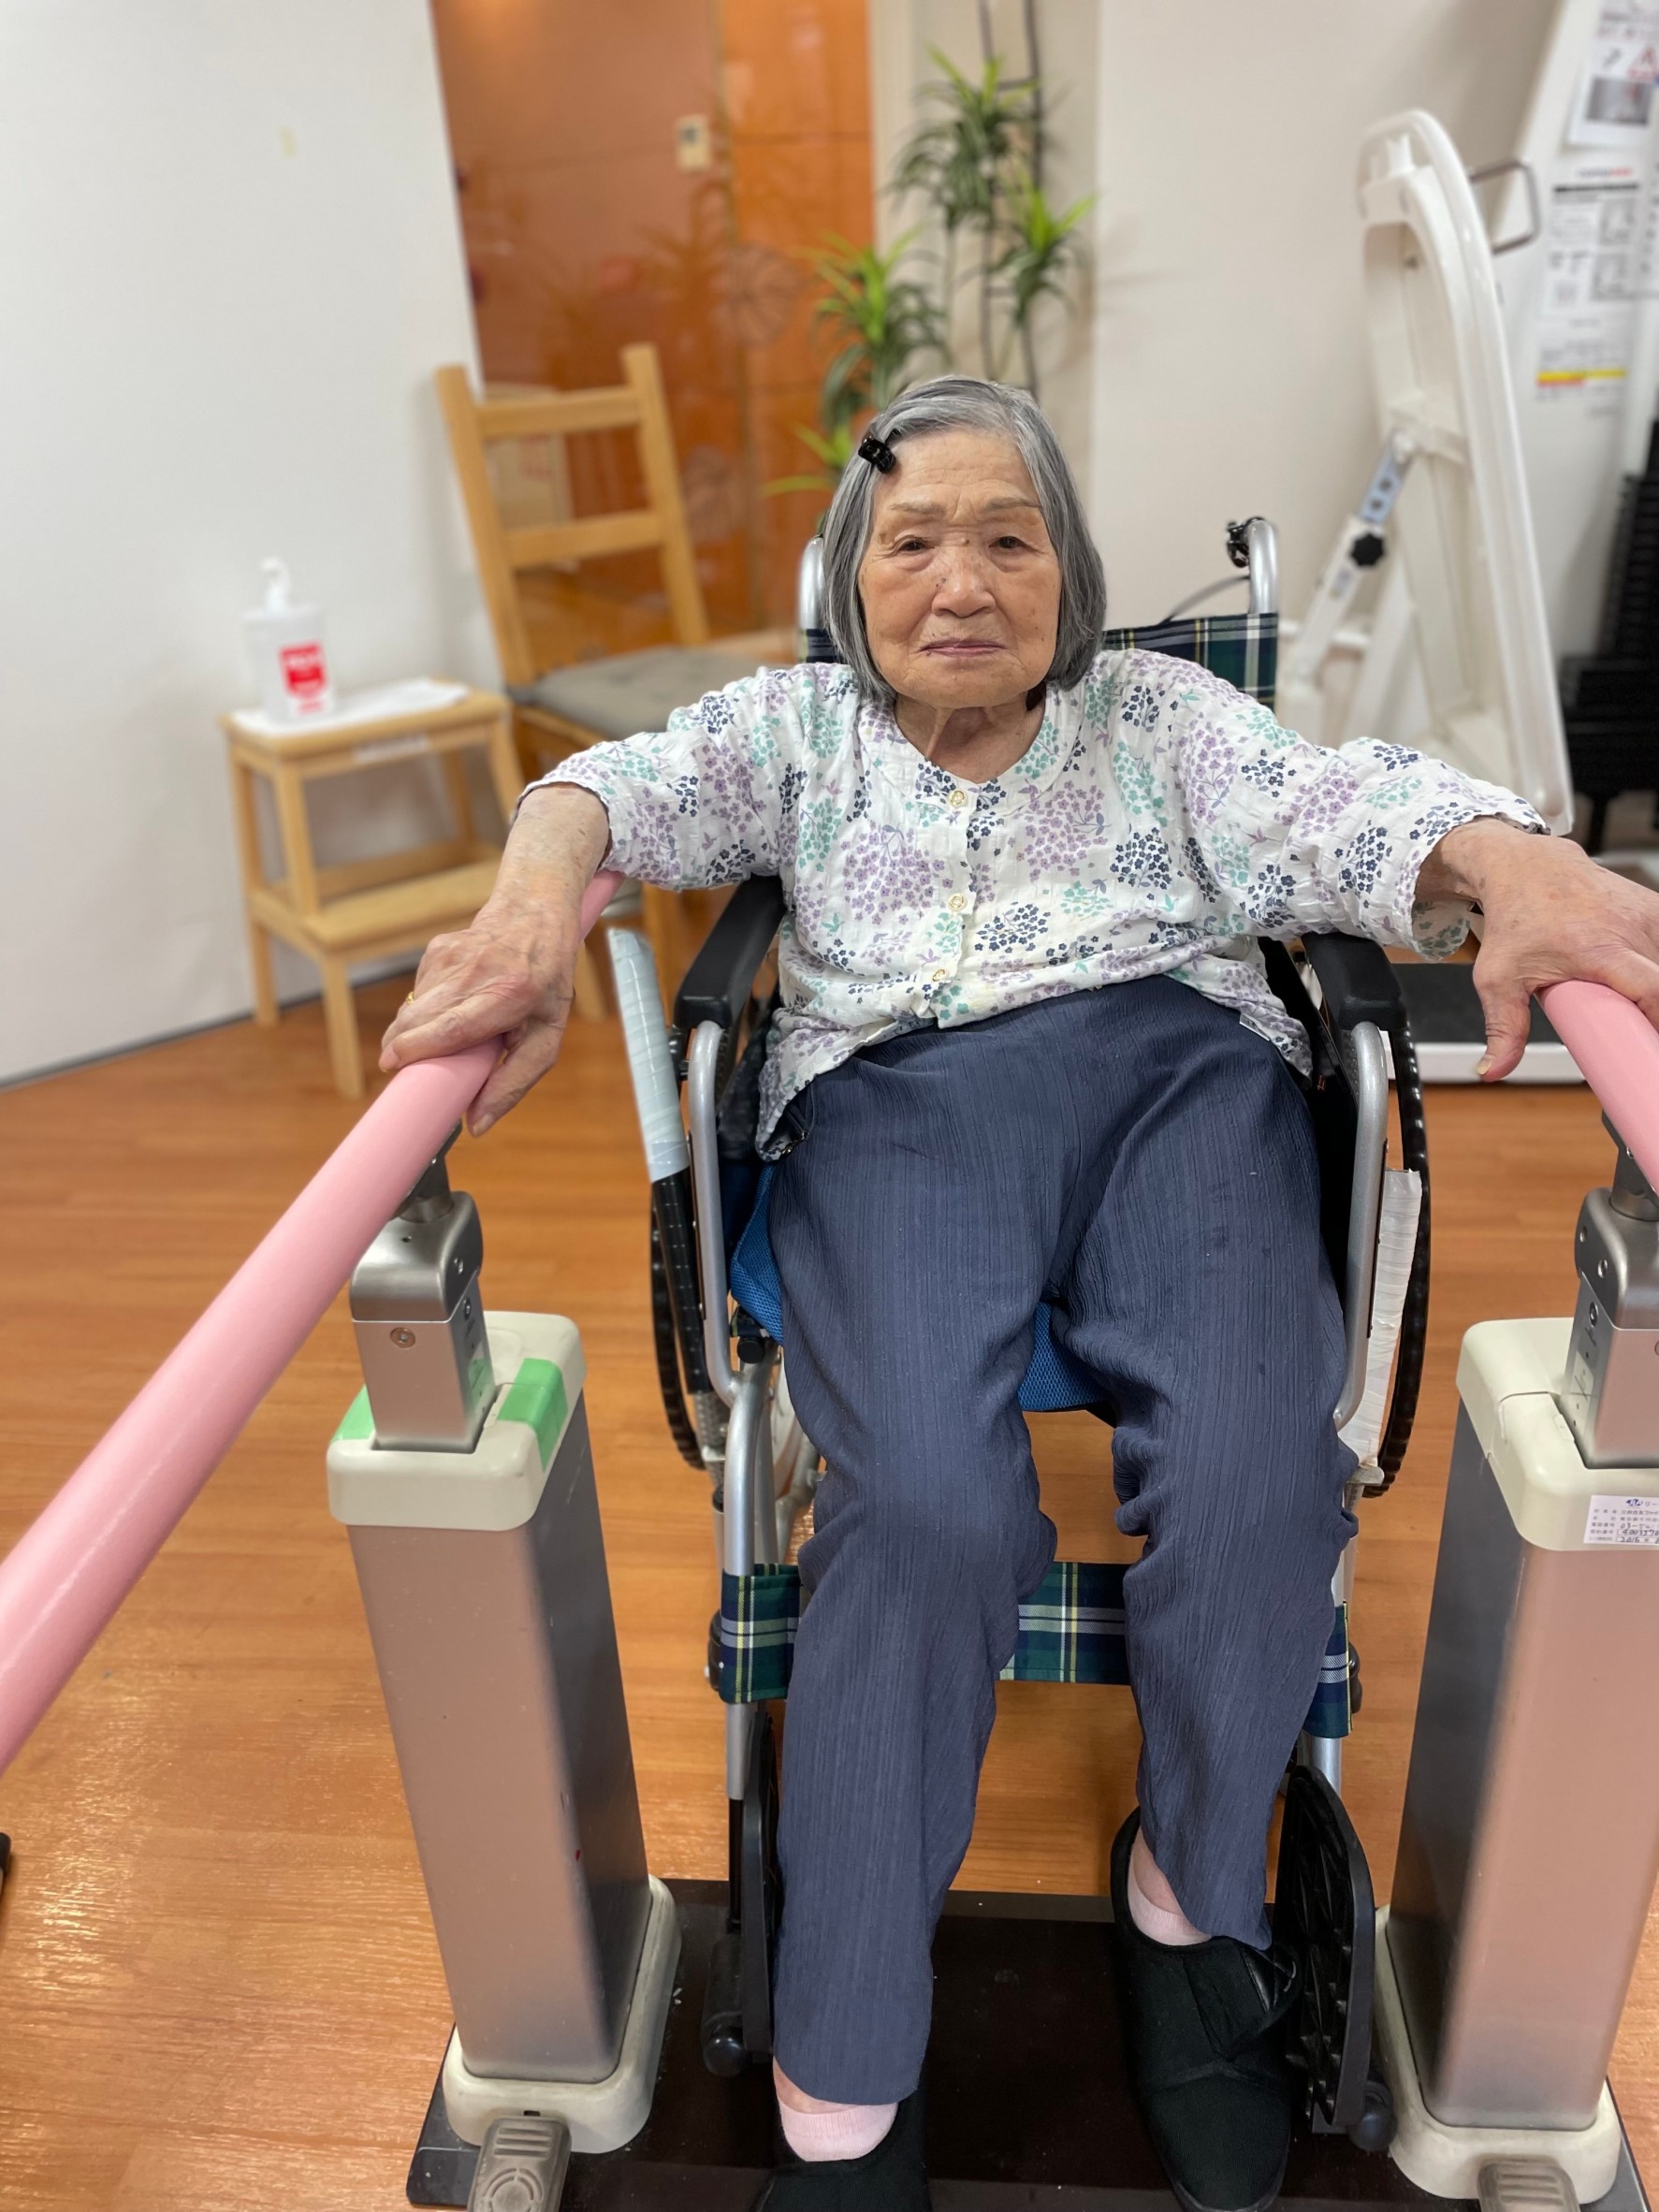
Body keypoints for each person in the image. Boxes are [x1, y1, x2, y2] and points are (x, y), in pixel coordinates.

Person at [383, 377, 1659, 2212]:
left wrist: (1512, 865)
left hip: (1181, 1090)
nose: (964, 582)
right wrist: (526, 912)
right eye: (912, 540)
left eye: (1010, 537)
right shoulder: (799, 735)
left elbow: (1344, 803)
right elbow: (602, 789)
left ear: (1071, 571)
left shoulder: (1160, 719)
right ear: (852, 575)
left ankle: (1184, 1907)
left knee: (1256, 1479)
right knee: (919, 1506)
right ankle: (844, 2050)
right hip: (893, 1107)